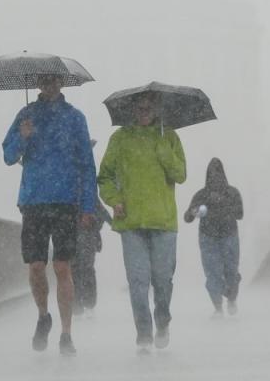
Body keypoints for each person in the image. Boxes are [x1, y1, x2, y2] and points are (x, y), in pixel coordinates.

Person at [2, 74, 98, 356]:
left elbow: (87, 165)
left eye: (54, 81)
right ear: (37, 85)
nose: (49, 86)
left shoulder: (75, 118)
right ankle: (44, 315)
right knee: (35, 266)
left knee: (62, 267)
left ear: (61, 83)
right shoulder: (26, 115)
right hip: (33, 199)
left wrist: (88, 206)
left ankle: (66, 334)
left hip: (65, 201)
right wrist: (23, 136)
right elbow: (8, 155)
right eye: (44, 82)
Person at [97, 94, 186, 353]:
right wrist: (114, 200)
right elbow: (104, 177)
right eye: (140, 106)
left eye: (150, 106)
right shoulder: (120, 138)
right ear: (132, 109)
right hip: (131, 223)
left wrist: (164, 152)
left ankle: (162, 321)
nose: (145, 110)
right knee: (137, 282)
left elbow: (180, 175)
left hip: (164, 222)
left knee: (162, 280)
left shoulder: (169, 137)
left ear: (157, 109)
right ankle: (144, 333)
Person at [184, 158, 244, 316]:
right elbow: (187, 217)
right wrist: (193, 211)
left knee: (229, 272)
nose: (215, 178)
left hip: (228, 236)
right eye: (212, 175)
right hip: (209, 238)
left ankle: (229, 299)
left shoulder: (231, 193)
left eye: (217, 174)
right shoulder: (202, 195)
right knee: (213, 273)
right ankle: (218, 307)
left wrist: (221, 204)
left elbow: (240, 214)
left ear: (223, 175)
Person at [71, 201, 112, 316]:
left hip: (80, 234)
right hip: (82, 234)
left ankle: (81, 306)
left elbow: (101, 211)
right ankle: (85, 305)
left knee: (79, 269)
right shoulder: (87, 193)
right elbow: (102, 212)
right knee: (83, 269)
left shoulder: (84, 192)